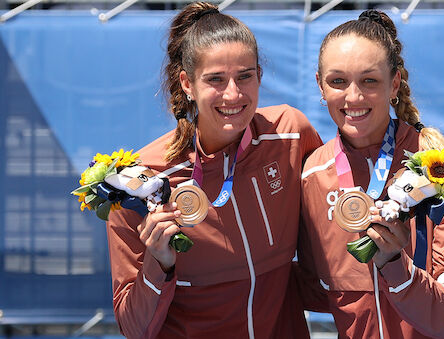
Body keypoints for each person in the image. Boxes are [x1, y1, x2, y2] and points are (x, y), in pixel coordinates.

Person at [106, 2, 323, 338]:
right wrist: (158, 262)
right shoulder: (143, 180)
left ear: (260, 76)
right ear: (187, 84)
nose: (233, 94)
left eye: (245, 76)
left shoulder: (291, 135)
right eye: (216, 80)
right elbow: (134, 328)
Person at [298, 10, 444, 339]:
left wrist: (394, 265)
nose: (353, 96)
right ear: (320, 85)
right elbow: (316, 288)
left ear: (395, 84)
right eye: (338, 81)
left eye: (369, 80)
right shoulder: (312, 175)